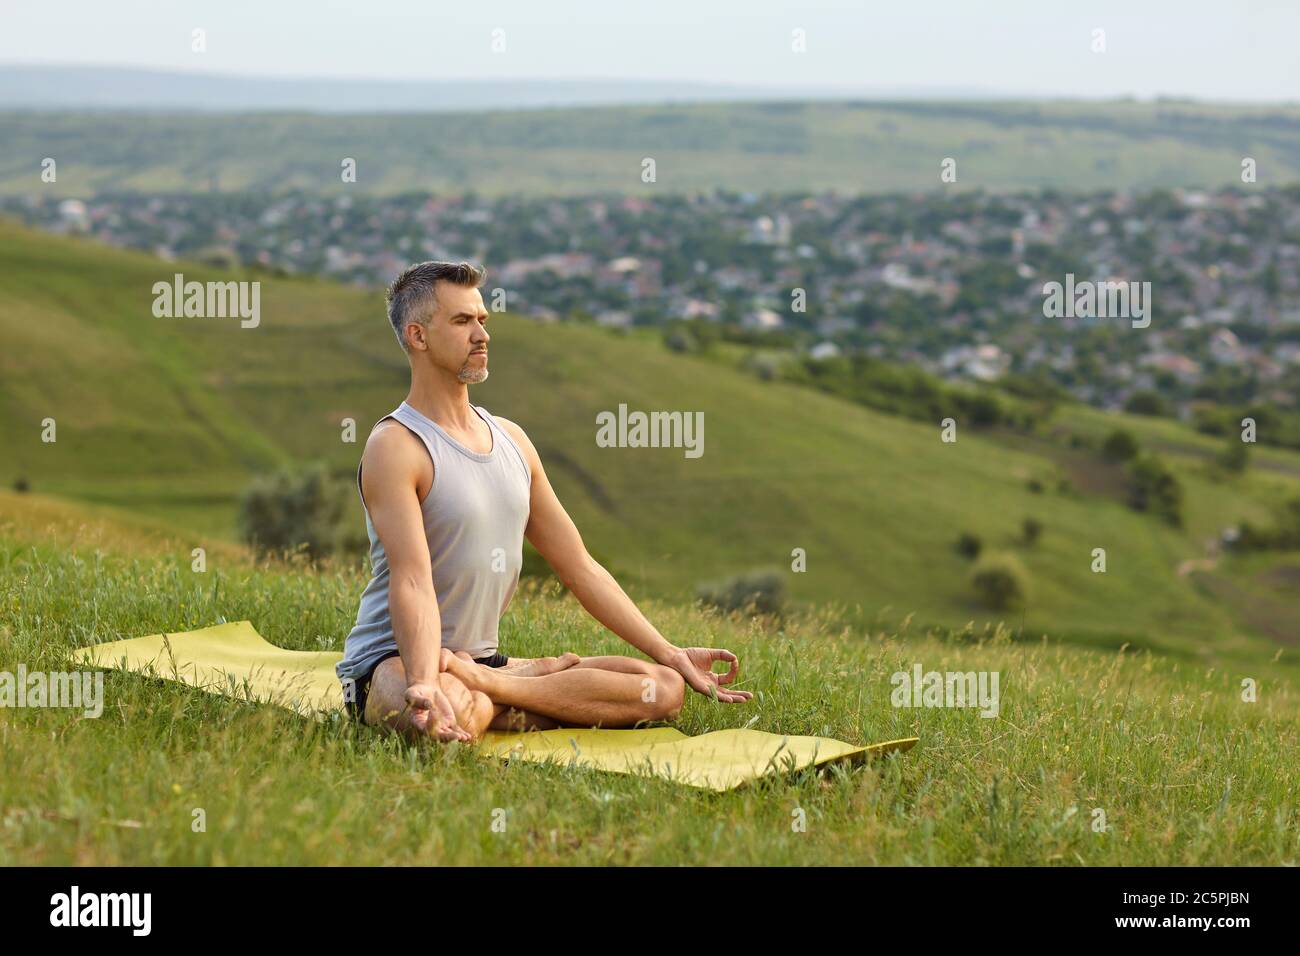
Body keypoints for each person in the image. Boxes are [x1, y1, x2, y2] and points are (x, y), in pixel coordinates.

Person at [337, 260, 752, 742]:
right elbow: (412, 580)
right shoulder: (397, 445)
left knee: (662, 689)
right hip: (394, 660)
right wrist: (426, 681)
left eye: (482, 321)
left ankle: (494, 686)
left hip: (483, 663)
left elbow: (579, 567)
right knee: (429, 718)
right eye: (461, 321)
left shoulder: (512, 440)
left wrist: (671, 652)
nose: (481, 335)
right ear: (418, 336)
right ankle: (516, 690)